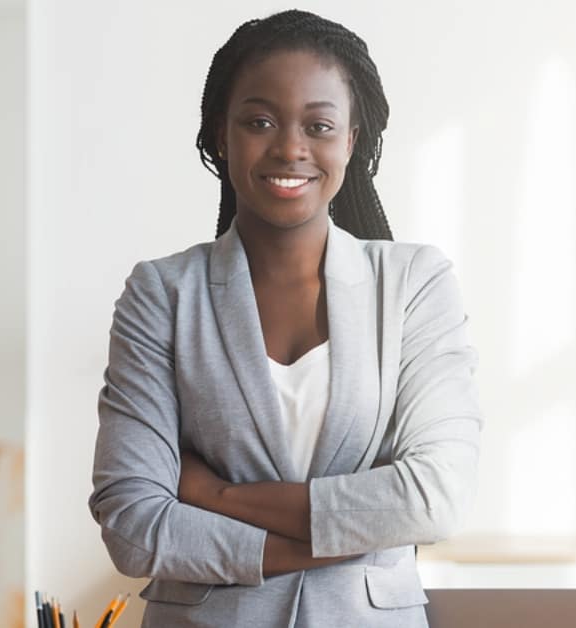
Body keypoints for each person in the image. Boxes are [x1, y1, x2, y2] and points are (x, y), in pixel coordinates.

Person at [88, 10, 482, 627]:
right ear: (221, 133)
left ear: (351, 140)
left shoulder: (413, 284)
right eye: (259, 121)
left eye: (319, 125)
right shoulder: (162, 293)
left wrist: (215, 496)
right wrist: (352, 532)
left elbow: (435, 498)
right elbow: (134, 526)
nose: (290, 147)